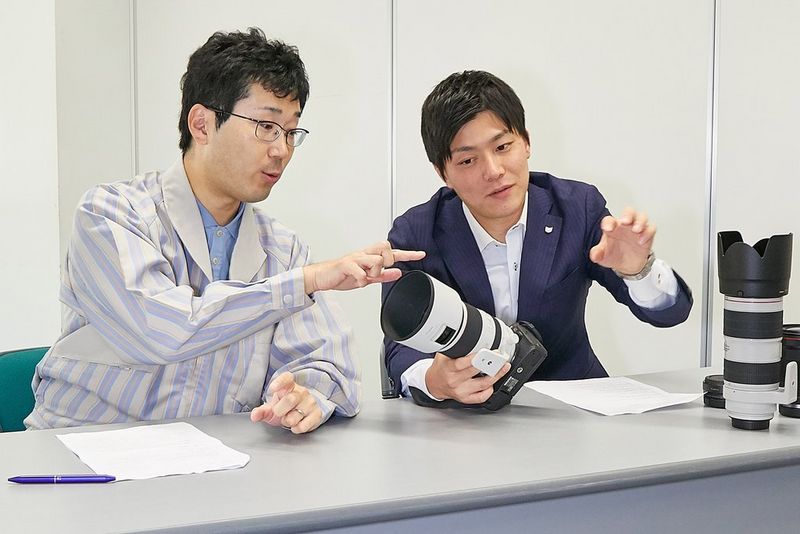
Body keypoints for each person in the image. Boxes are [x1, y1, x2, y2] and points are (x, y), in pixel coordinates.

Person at [25, 28, 423, 432]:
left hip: (209, 466)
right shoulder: (111, 214)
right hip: (80, 456)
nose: (281, 149)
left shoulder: (283, 250)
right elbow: (160, 330)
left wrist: (304, 393)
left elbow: (329, 366)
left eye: (290, 131)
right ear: (201, 124)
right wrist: (300, 283)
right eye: (266, 126)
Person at [382, 70, 692, 407]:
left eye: (503, 147)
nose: (494, 170)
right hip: (464, 421)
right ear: (443, 173)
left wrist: (639, 271)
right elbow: (400, 346)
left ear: (526, 142)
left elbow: (669, 315)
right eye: (468, 160)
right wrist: (436, 381)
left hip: (573, 411)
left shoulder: (577, 208)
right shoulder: (416, 233)